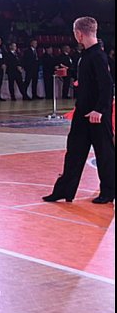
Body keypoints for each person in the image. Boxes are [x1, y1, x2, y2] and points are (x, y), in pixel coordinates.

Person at [43, 17, 115, 204]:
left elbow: (107, 85)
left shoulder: (98, 55)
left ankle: (109, 192)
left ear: (78, 34)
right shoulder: (88, 55)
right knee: (74, 152)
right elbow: (89, 79)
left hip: (97, 115)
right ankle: (64, 190)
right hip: (83, 113)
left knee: (105, 154)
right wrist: (71, 73)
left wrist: (99, 110)